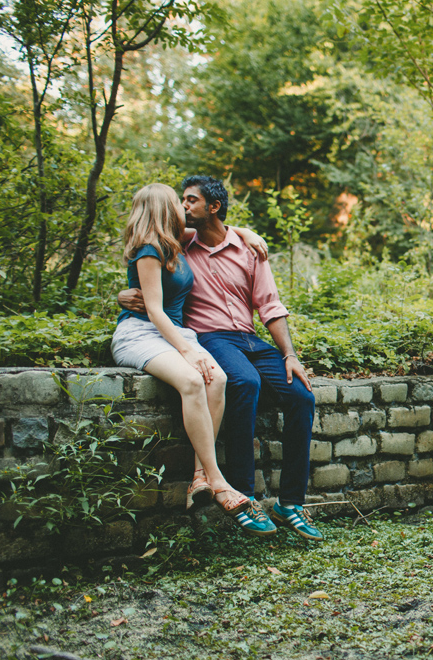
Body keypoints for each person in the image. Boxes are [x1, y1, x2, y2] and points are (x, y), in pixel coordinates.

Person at [119, 176, 322, 541]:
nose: (183, 207)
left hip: (250, 337)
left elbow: (270, 306)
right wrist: (124, 294)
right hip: (210, 337)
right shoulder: (182, 242)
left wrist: (290, 354)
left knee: (302, 396)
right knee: (244, 383)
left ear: (213, 207)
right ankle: (242, 495)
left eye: (191, 201)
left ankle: (290, 502)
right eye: (180, 201)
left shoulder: (249, 248)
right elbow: (146, 259)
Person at [111, 183, 249, 519]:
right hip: (141, 333)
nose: (183, 207)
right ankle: (218, 482)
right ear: (163, 208)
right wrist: (189, 350)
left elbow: (217, 229)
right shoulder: (148, 249)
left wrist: (248, 234)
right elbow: (155, 311)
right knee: (192, 380)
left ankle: (198, 479)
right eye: (177, 201)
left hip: (173, 334)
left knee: (216, 379)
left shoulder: (177, 241)